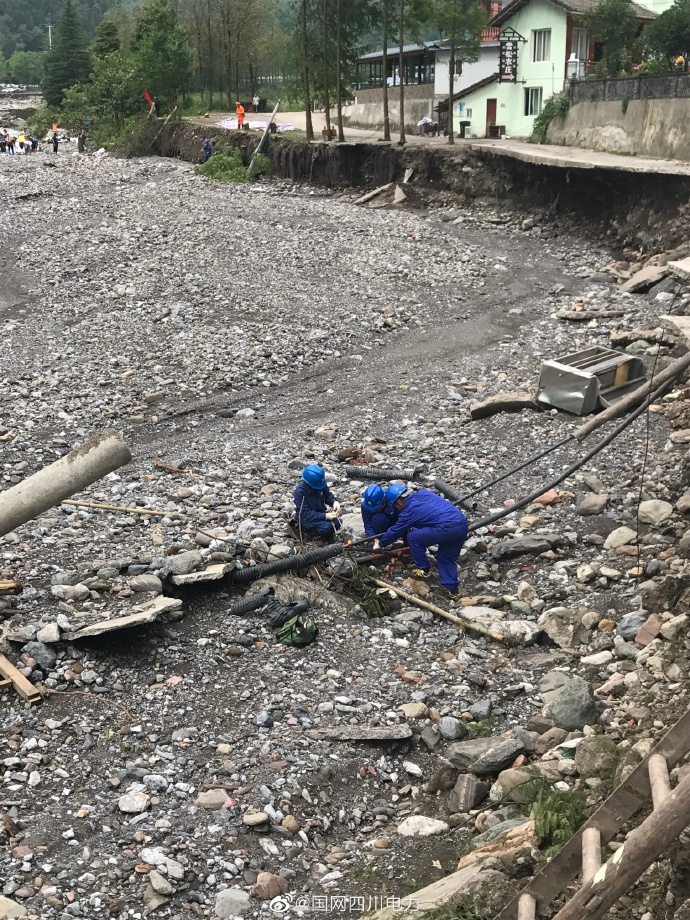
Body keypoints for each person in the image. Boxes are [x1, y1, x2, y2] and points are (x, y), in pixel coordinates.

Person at [374, 487, 468, 594]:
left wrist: (380, 543)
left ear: (399, 502)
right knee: (446, 557)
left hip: (446, 528)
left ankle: (424, 570)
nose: (397, 508)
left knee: (413, 537)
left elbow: (395, 530)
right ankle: (453, 591)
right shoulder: (424, 493)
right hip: (462, 523)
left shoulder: (409, 510)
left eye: (395, 505)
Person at [293, 464, 341, 541]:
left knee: (338, 522)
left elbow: (327, 495)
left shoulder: (320, 484)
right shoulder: (300, 492)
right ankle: (309, 533)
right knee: (326, 527)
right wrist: (325, 516)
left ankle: (327, 536)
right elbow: (305, 513)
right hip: (307, 519)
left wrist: (334, 502)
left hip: (320, 513)